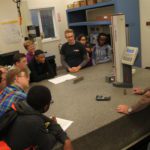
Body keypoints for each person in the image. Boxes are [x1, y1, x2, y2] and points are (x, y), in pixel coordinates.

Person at [1, 85, 73, 150]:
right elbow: (47, 144)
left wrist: (66, 139)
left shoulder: (21, 107)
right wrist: (54, 130)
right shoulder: (34, 121)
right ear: (45, 107)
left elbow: (49, 122)